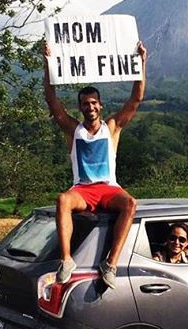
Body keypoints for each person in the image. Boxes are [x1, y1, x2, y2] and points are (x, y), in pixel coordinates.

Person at [43, 41, 147, 289]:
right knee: (62, 200)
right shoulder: (73, 129)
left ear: (100, 105)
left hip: (108, 189)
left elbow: (136, 99)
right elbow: (51, 100)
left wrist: (141, 62)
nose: (90, 107)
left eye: (93, 103)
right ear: (80, 107)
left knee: (130, 204)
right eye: (85, 103)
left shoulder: (112, 127)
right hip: (82, 189)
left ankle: (110, 263)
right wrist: (47, 63)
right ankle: (66, 260)